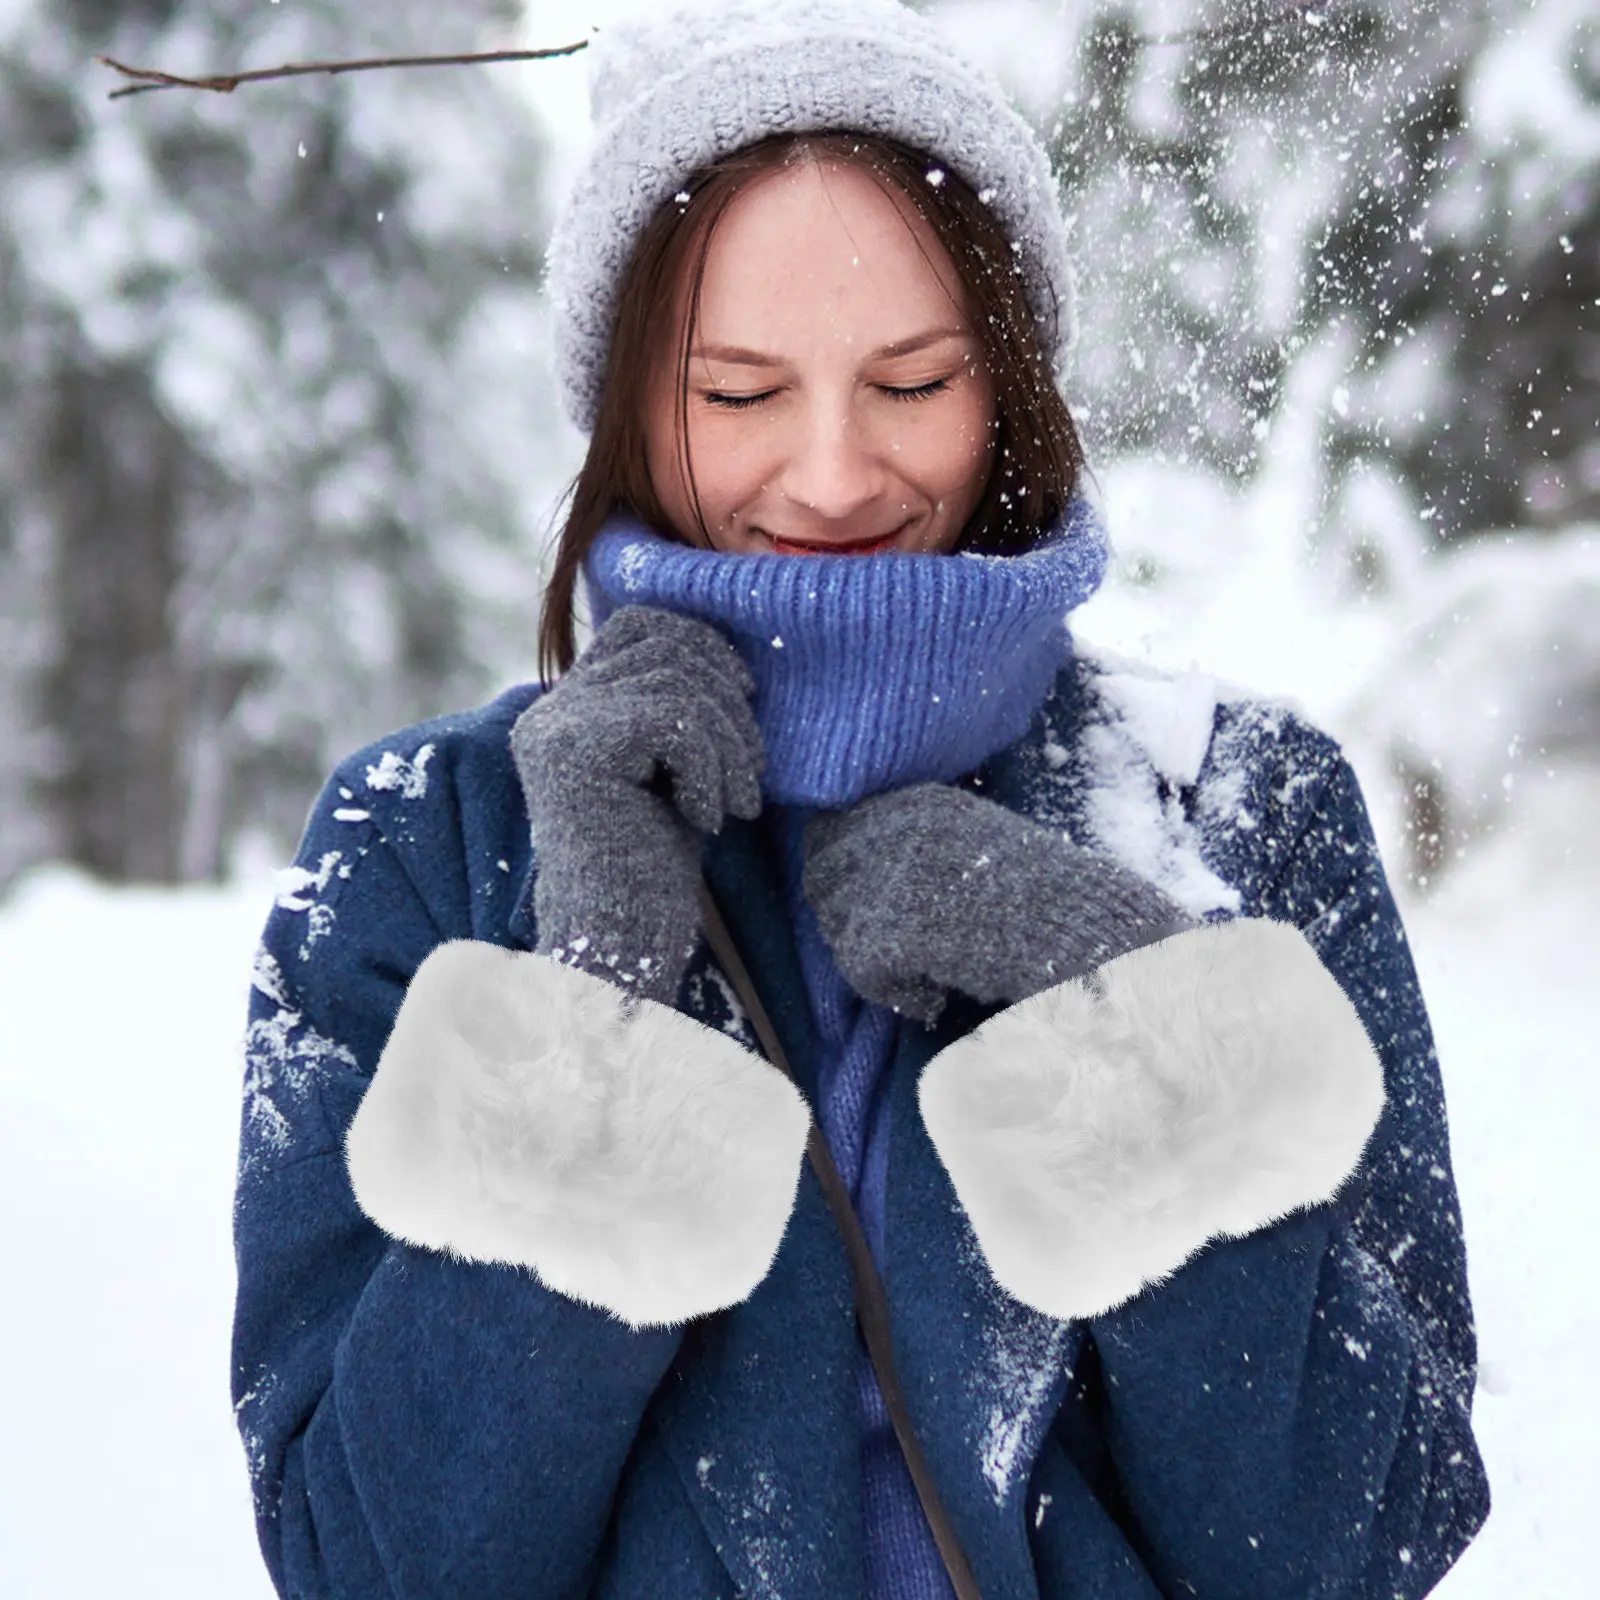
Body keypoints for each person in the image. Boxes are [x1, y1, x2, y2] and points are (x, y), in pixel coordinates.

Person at [231, 2, 1490, 1596]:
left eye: (911, 383)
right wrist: (593, 1006)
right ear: (627, 404)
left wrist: (1128, 1010)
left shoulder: (1242, 806)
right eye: (740, 393)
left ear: (1009, 390)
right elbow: (371, 1568)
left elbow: (1357, 1542)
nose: (831, 475)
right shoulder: (424, 840)